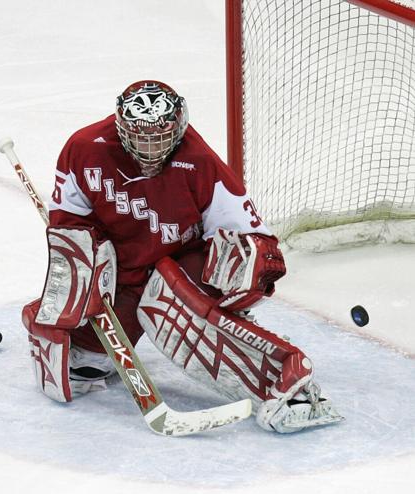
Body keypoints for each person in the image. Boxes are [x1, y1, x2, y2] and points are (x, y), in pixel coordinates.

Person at [21, 80, 343, 433]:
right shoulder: (84, 149)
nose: (149, 148)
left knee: (175, 304)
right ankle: (56, 319)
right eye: (140, 137)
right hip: (119, 271)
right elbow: (70, 225)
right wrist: (84, 275)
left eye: (159, 137)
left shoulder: (200, 163)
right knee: (84, 367)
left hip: (177, 265)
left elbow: (253, 241)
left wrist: (242, 280)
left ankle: (289, 386)